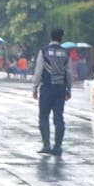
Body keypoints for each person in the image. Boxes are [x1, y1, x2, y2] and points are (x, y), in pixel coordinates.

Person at [31, 28, 75, 156]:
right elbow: (69, 72)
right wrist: (69, 88)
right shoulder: (65, 52)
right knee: (59, 117)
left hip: (47, 88)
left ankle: (46, 145)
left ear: (51, 37)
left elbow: (38, 70)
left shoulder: (44, 51)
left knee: (44, 116)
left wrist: (35, 87)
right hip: (60, 88)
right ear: (61, 38)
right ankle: (58, 147)